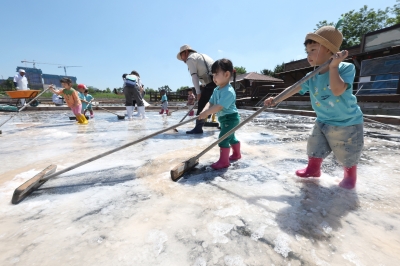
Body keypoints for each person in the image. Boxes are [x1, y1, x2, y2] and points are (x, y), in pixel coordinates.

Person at [264, 24, 363, 189]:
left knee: (348, 152)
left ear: (329, 50)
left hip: (347, 122)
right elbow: (295, 87)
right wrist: (277, 99)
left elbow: (338, 90)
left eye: (313, 50)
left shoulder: (346, 68)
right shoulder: (312, 75)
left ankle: (350, 176)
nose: (309, 55)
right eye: (307, 52)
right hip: (323, 119)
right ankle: (313, 168)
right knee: (315, 144)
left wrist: (333, 67)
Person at [198, 59, 241, 170]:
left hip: (231, 118)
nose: (214, 77)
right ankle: (236, 154)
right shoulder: (217, 89)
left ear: (226, 74)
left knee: (223, 138)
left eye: (216, 74)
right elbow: (211, 102)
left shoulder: (228, 91)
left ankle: (224, 162)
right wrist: (204, 110)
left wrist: (207, 113)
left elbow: (219, 106)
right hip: (224, 119)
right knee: (230, 137)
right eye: (213, 75)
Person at [177, 44, 216, 134]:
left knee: (202, 104)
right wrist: (203, 85)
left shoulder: (190, 59)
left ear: (186, 52)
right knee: (216, 103)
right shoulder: (201, 55)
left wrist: (198, 92)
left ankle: (198, 128)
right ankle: (208, 120)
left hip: (211, 82)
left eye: (182, 56)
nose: (183, 59)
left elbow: (194, 77)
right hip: (215, 81)